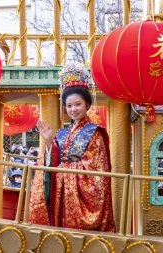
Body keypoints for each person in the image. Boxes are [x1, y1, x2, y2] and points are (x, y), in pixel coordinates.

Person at [29, 63, 115, 232]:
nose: (73, 109)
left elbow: (96, 170)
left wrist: (64, 171)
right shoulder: (62, 133)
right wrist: (48, 141)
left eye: (77, 104)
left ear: (87, 105)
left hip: (79, 196)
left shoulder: (95, 132)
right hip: (62, 194)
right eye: (69, 106)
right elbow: (53, 161)